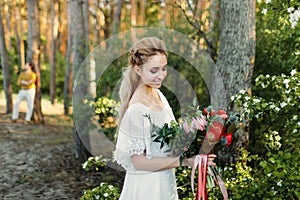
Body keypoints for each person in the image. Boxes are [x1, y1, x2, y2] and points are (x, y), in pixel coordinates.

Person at [114, 37, 216, 200]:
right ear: (138, 70)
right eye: (154, 70)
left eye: (164, 69)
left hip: (165, 180)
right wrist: (185, 161)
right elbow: (139, 163)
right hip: (148, 186)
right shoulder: (137, 109)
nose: (161, 76)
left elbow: (168, 139)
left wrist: (195, 146)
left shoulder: (157, 94)